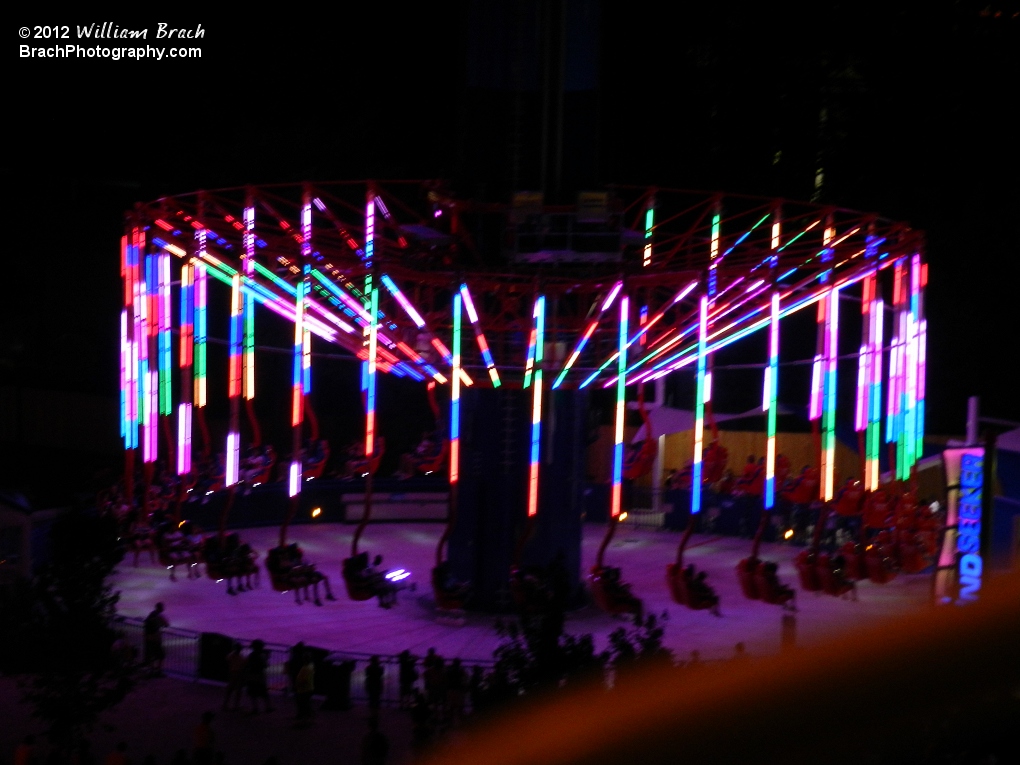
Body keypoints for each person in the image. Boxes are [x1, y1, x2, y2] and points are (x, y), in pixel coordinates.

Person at [245, 639, 273, 713]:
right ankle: (268, 707)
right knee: (264, 693)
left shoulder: (251, 655)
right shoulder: (262, 655)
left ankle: (255, 708)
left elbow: (248, 665)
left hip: (252, 676)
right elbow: (265, 666)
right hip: (260, 677)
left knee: (253, 693)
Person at [143, 602, 168, 676]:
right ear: (160, 608)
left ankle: (152, 670)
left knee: (152, 655)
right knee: (161, 655)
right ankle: (157, 671)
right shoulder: (158, 617)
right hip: (155, 639)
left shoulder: (151, 615)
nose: (163, 608)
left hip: (150, 638)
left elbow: (146, 624)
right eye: (162, 607)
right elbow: (166, 624)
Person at [294, 650, 316, 724]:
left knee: (303, 704)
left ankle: (306, 718)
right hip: (309, 688)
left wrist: (298, 685)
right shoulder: (311, 666)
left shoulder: (305, 668)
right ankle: (309, 717)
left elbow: (303, 680)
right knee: (306, 703)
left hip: (304, 689)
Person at [223, 642, 245, 711]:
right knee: (238, 690)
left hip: (232, 673)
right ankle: (236, 705)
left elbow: (228, 663)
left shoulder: (230, 656)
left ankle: (225, 704)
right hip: (238, 673)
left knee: (230, 689)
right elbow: (243, 665)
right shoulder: (241, 657)